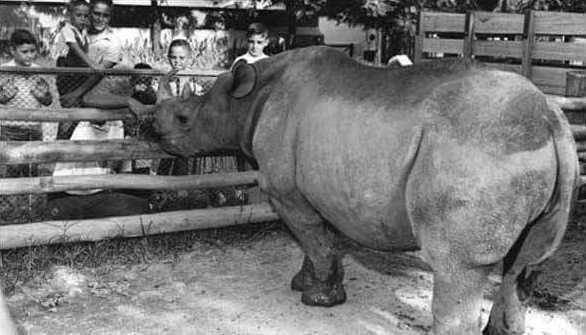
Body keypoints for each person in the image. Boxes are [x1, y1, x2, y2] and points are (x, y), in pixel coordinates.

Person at [0, 29, 55, 177]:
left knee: (32, 166)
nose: (30, 55)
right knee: (12, 166)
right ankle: (11, 198)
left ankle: (31, 198)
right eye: (25, 52)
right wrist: (4, 97)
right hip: (11, 128)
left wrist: (43, 96)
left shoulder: (38, 70)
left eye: (32, 51)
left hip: (34, 126)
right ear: (12, 50)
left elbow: (48, 100)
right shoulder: (5, 70)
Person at [53, 0, 99, 97]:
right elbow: (75, 49)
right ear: (70, 15)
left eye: (85, 16)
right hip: (67, 76)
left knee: (83, 100)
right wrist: (93, 65)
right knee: (70, 100)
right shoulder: (67, 30)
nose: (82, 19)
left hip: (79, 74)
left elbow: (86, 53)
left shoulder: (83, 33)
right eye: (78, 15)